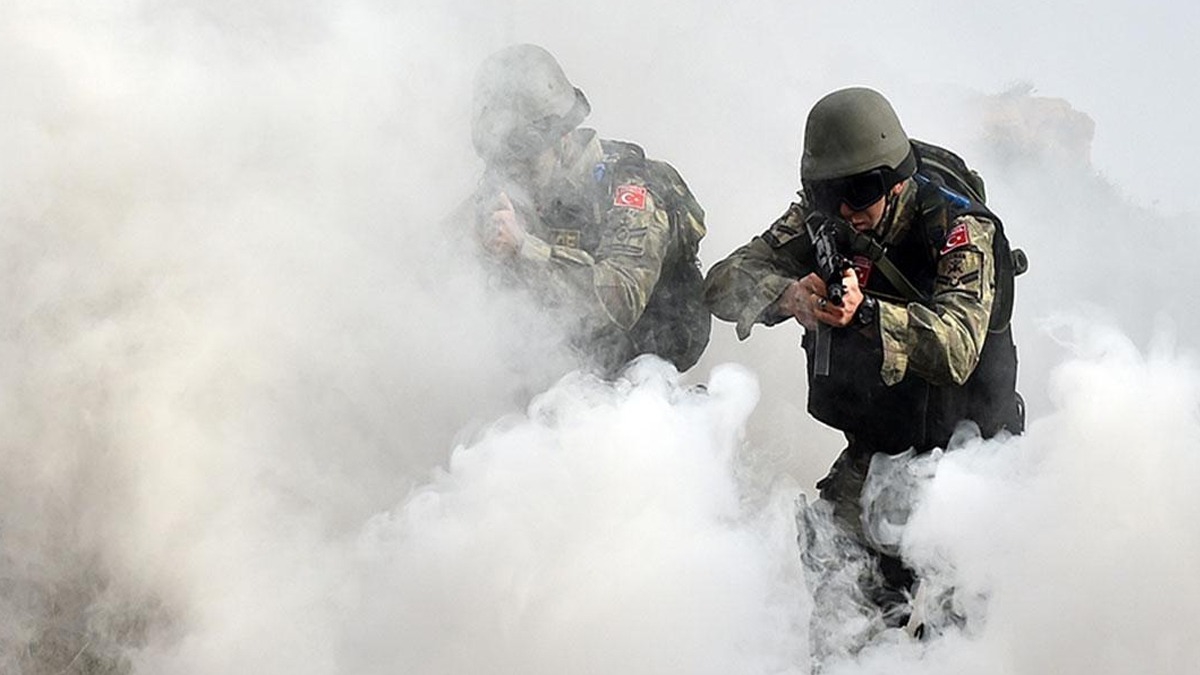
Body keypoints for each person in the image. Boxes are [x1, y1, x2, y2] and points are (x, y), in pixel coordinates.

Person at [703, 87, 1025, 666]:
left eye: (861, 192)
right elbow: (724, 281)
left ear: (895, 180)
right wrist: (789, 295)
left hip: (970, 460)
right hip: (880, 450)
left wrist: (868, 314)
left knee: (960, 635)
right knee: (841, 606)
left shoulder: (958, 227)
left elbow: (957, 346)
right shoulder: (822, 219)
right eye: (830, 194)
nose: (847, 210)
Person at [458, 44, 710, 376]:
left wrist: (524, 247)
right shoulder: (513, 187)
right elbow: (436, 261)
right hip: (555, 369)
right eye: (504, 162)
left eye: (526, 159)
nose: (514, 176)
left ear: (562, 138)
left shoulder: (630, 189)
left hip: (643, 378)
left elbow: (621, 297)